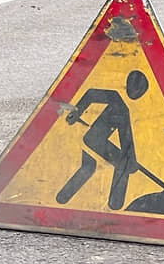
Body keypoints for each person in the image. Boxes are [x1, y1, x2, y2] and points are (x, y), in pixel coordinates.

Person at [56, 70, 149, 209]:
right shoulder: (118, 100)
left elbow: (125, 136)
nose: (136, 94)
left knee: (90, 166)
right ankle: (113, 202)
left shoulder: (123, 109)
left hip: (94, 138)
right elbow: (91, 93)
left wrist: (130, 158)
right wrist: (77, 111)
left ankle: (63, 199)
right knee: (119, 164)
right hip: (93, 138)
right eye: (137, 90)